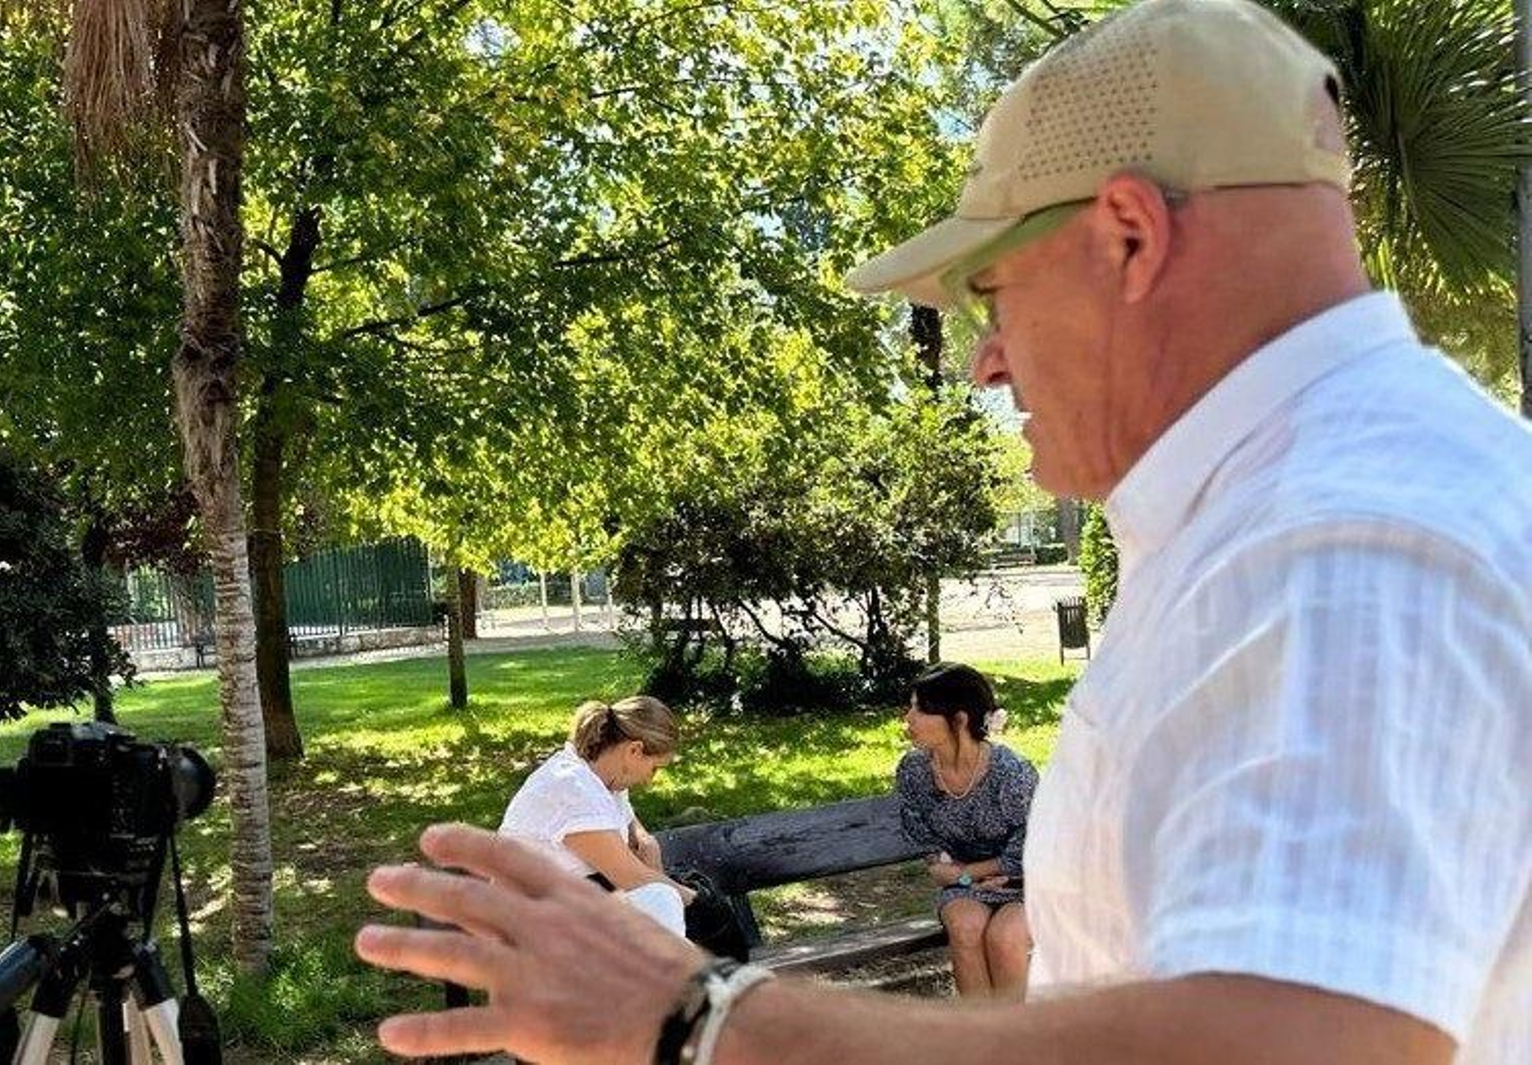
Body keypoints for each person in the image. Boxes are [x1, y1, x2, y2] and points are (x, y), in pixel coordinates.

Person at [354, 1, 1532, 1062]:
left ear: (1129, 234)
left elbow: (1290, 1043)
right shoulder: (1341, 504)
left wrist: (702, 1017)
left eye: (993, 291)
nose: (984, 355)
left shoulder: (1341, 548)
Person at [895, 662, 1035, 1000]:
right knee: (965, 925)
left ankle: (1022, 1043)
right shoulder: (914, 771)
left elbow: (1032, 849)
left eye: (920, 709)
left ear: (959, 720)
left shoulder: (1010, 773)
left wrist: (966, 873)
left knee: (1005, 937)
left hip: (1027, 883)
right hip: (965, 886)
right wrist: (946, 870)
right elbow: (922, 837)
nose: (908, 718)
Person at [498, 695, 694, 934]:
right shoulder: (573, 788)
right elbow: (632, 877)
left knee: (658, 903)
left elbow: (626, 817)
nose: (649, 780)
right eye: (654, 768)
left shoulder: (599, 776)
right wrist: (695, 899)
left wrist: (644, 839)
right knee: (661, 898)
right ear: (634, 750)